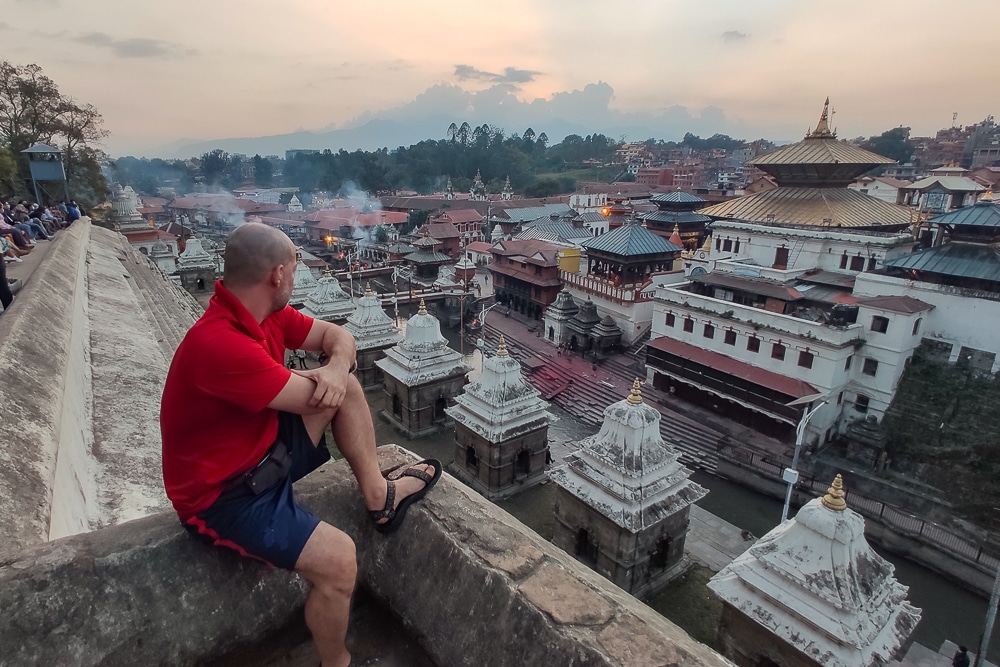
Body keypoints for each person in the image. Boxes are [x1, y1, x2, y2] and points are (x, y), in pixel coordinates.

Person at [160, 223, 441, 667]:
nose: (295, 277)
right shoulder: (219, 344)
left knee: (344, 387)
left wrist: (335, 368)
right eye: (294, 269)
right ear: (277, 274)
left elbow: (340, 337)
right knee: (340, 562)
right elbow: (316, 390)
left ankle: (378, 497)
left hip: (262, 448)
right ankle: (337, 662)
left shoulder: (264, 314)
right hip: (226, 495)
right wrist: (333, 373)